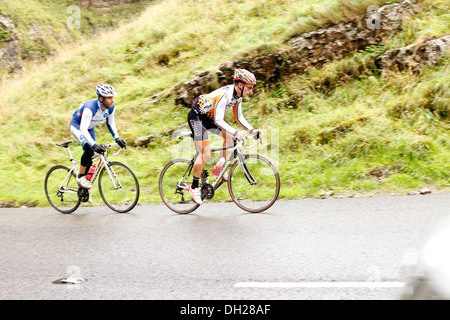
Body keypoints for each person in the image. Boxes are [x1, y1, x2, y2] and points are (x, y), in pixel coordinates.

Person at [187, 68, 263, 205]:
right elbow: (218, 120)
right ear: (240, 85)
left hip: (209, 118)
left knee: (229, 139)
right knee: (205, 152)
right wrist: (236, 132)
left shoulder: (237, 97)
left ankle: (220, 168)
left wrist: (252, 131)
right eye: (250, 87)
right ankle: (193, 187)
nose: (251, 91)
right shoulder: (226, 95)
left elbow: (239, 118)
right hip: (197, 116)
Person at [70, 84, 127, 189]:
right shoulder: (90, 108)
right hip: (78, 126)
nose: (112, 100)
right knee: (89, 149)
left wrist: (117, 138)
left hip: (89, 127)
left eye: (113, 97)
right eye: (109, 98)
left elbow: (111, 124)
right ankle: (81, 177)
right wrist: (93, 144)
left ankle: (83, 188)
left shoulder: (110, 108)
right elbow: (83, 129)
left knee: (91, 156)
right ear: (101, 98)